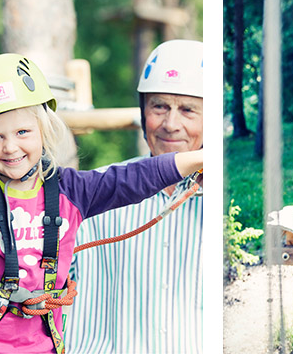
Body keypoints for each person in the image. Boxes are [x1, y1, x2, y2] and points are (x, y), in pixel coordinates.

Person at [0, 53, 203, 353]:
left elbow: (135, 176)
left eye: (23, 133)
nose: (11, 147)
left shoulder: (72, 191)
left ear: (44, 129)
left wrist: (198, 159)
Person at [64, 39, 204, 352]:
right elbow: (21, 269)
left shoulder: (219, 197)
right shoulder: (95, 191)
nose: (171, 124)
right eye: (159, 107)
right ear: (143, 113)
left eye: (188, 110)